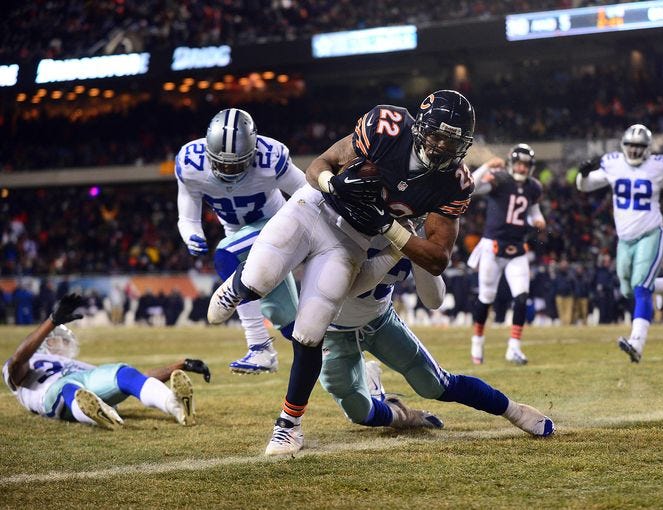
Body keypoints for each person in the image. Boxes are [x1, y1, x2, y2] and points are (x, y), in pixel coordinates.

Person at [208, 90, 476, 454]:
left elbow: (435, 269)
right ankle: (240, 285)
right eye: (437, 135)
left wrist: (389, 229)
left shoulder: (449, 186)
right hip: (317, 207)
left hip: (354, 241)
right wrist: (332, 183)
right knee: (261, 277)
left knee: (310, 331)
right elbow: (321, 164)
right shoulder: (388, 127)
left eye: (453, 140)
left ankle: (289, 425)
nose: (442, 145)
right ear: (420, 127)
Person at [308, 239, 554, 456]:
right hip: (334, 330)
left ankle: (515, 411)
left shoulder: (417, 225)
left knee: (434, 384)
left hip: (380, 320)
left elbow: (434, 300)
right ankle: (400, 414)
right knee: (359, 413)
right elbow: (353, 286)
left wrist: (421, 248)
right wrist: (396, 245)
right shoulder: (346, 216)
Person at [175, 108, 306, 373]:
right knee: (292, 324)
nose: (228, 170)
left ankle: (258, 347)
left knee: (226, 256)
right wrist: (191, 235)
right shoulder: (190, 165)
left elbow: (308, 194)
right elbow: (187, 213)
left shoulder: (270, 158)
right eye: (221, 164)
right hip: (239, 234)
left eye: (236, 164)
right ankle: (357, 366)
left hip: (279, 225)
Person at [3, 294, 211, 429]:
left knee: (124, 373)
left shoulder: (77, 365)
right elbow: (17, 361)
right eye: (59, 339)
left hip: (83, 378)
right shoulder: (33, 360)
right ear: (45, 342)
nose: (65, 344)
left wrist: (182, 364)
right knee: (70, 389)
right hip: (52, 393)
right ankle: (96, 413)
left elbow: (140, 378)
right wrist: (51, 322)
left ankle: (174, 406)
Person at [577, 124, 663, 362]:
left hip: (651, 233)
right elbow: (585, 186)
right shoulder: (614, 164)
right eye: (631, 146)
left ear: (647, 148)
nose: (634, 151)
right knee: (627, 289)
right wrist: (582, 174)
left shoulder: (657, 166)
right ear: (624, 146)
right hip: (625, 239)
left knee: (641, 287)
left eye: (639, 147)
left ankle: (637, 343)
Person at [467, 144, 546, 365]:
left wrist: (537, 220)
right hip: (493, 245)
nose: (522, 167)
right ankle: (477, 341)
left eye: (526, 164)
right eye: (519, 163)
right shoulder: (500, 179)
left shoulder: (533, 187)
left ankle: (514, 348)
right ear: (512, 163)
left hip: (517, 247)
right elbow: (470, 187)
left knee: (521, 295)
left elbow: (532, 212)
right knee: (486, 297)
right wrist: (485, 166)